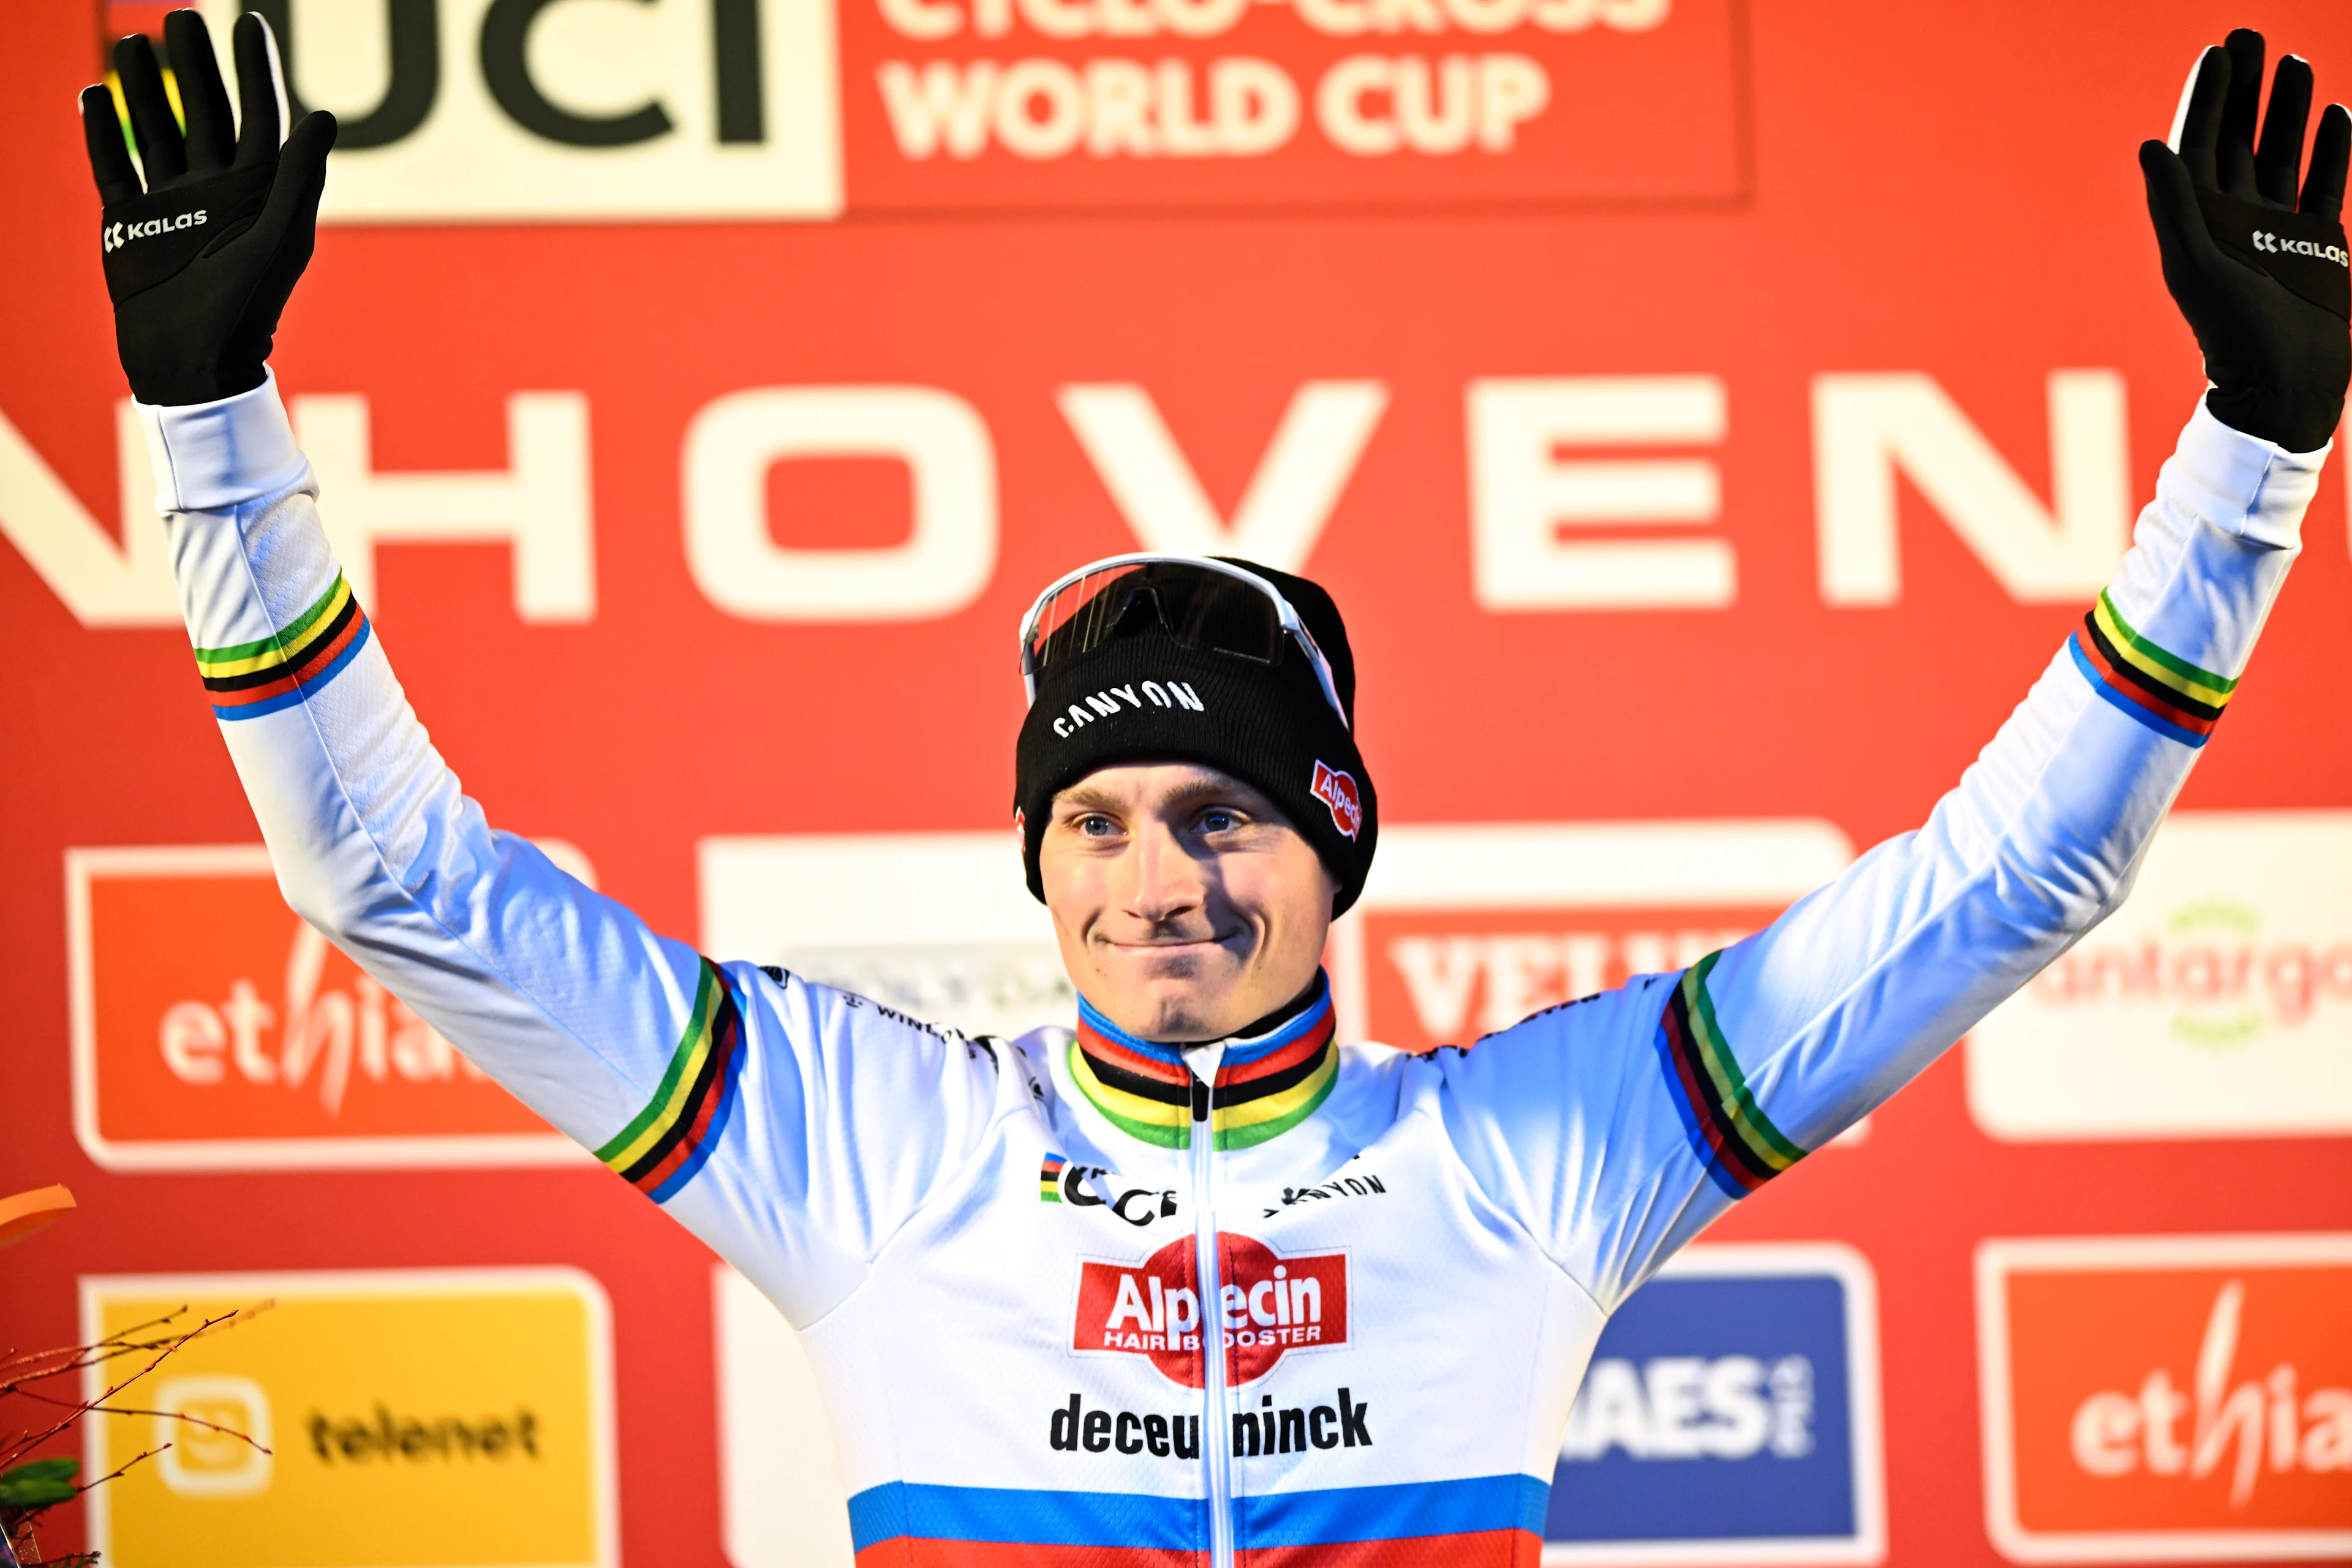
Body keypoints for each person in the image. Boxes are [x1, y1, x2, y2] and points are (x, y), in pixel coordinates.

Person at [77, 13, 2348, 1562]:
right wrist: (212, 421)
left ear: (1338, 840)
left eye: (1223, 815)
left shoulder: (1533, 1155)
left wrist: (2254, 451)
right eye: (1093, 821)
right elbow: (393, 881)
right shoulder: (869, 1146)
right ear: (1034, 866)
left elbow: (2012, 882)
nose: (1156, 874)